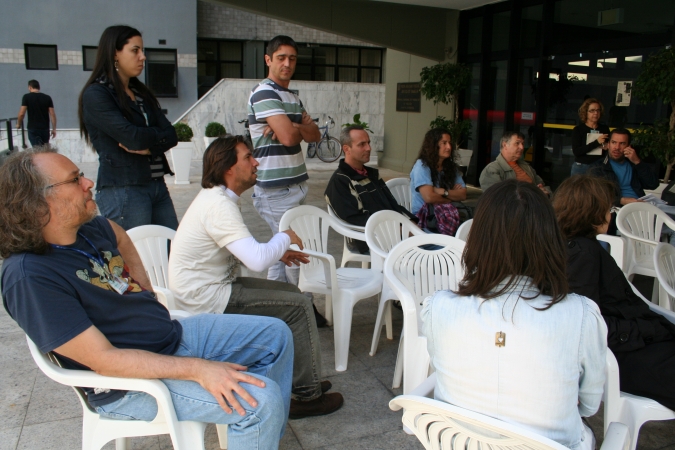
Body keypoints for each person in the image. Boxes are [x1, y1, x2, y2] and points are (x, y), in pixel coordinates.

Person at [0, 147, 293, 449]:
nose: (88, 183)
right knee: (261, 402)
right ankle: (256, 422)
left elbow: (120, 235)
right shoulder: (30, 276)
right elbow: (103, 360)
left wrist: (145, 290)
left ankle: (257, 436)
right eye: (75, 179)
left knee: (276, 335)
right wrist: (199, 369)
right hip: (128, 386)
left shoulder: (88, 228)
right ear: (37, 202)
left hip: (169, 337)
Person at [422, 179, 607, 450]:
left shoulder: (438, 307)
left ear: (477, 239)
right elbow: (589, 405)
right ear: (550, 239)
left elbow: (442, 365)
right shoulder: (581, 315)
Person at [168, 135, 344, 419]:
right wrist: (284, 238)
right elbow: (257, 260)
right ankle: (307, 396)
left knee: (293, 295)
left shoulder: (220, 198)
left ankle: (300, 379)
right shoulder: (218, 205)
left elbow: (240, 250)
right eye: (248, 157)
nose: (256, 162)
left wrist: (278, 253)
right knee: (299, 306)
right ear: (228, 168)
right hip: (206, 299)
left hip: (213, 288)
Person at [553, 174, 675, 411]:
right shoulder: (583, 254)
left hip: (627, 345)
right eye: (609, 209)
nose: (611, 215)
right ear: (593, 213)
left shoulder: (563, 246)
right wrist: (650, 330)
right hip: (621, 356)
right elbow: (587, 326)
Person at [78, 25, 179, 231]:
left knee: (171, 247)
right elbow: (133, 138)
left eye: (142, 50)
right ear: (115, 53)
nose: (143, 57)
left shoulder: (141, 93)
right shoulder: (97, 94)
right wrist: (154, 136)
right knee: (134, 250)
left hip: (157, 184)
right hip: (124, 188)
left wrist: (149, 148)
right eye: (135, 50)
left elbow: (172, 135)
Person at [247, 35, 321, 284]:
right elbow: (289, 138)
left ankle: (277, 300)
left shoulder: (292, 97)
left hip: (295, 186)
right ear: (268, 60)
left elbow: (315, 136)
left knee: (282, 250)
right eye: (281, 58)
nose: (287, 63)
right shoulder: (264, 93)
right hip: (275, 190)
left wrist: (292, 125)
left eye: (292, 58)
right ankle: (302, 301)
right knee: (295, 250)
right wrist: (296, 127)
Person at [324, 125, 417, 253]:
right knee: (434, 255)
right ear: (346, 149)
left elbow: (392, 205)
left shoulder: (371, 175)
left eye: (368, 143)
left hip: (397, 235)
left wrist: (410, 222)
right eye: (362, 144)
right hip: (373, 241)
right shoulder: (340, 181)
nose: (368, 148)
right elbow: (354, 220)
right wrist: (398, 230)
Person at [410, 128, 467, 236]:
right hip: (426, 219)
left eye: (449, 143)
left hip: (448, 214)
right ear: (433, 145)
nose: (449, 147)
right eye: (444, 143)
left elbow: (463, 194)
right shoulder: (422, 166)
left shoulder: (450, 167)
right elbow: (429, 197)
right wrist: (451, 197)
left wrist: (443, 192)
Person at [589, 128, 658, 206]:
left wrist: (638, 162)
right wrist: (622, 201)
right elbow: (596, 195)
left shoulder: (633, 163)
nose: (617, 147)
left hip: (639, 205)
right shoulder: (598, 167)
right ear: (608, 144)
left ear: (629, 146)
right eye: (614, 142)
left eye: (622, 143)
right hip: (615, 207)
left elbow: (653, 184)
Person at [479, 131, 549, 196]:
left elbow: (544, 185)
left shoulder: (526, 166)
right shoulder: (492, 169)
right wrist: (535, 194)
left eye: (522, 143)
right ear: (505, 145)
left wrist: (545, 192)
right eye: (517, 143)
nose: (522, 147)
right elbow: (498, 197)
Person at [571, 98, 610, 176]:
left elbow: (608, 149)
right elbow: (577, 151)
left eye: (598, 110)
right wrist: (596, 142)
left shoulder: (604, 129)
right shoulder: (578, 129)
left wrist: (608, 147)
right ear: (585, 112)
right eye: (592, 110)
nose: (595, 113)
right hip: (581, 166)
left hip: (598, 166)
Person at [17, 79, 56, 146]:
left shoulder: (26, 97)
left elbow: (21, 113)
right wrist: (54, 129)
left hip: (33, 128)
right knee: (44, 149)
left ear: (30, 87)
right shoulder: (47, 97)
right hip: (45, 128)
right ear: (39, 87)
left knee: (36, 149)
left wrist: (18, 124)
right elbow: (52, 114)